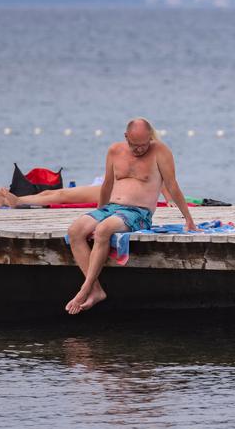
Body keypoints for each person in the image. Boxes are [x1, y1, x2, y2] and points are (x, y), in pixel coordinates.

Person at [64, 118, 198, 315]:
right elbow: (107, 184)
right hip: (110, 208)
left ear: (150, 138)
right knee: (75, 230)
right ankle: (96, 290)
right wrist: (99, 212)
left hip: (138, 212)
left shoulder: (160, 151)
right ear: (126, 137)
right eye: (135, 146)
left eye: (144, 145)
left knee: (104, 230)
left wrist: (188, 219)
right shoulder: (114, 151)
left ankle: (85, 288)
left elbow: (172, 185)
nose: (139, 150)